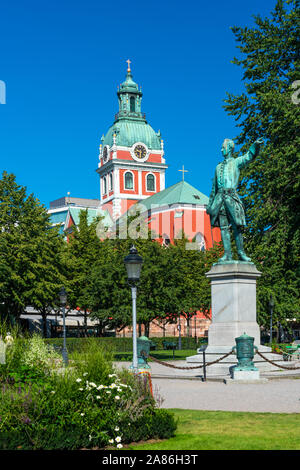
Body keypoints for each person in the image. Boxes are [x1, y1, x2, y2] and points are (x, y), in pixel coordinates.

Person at [206, 137, 264, 262]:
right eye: (222, 148)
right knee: (224, 227)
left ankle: (241, 253)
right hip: (219, 199)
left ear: (230, 149)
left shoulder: (236, 162)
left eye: (223, 147)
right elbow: (214, 188)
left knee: (237, 226)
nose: (221, 150)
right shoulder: (218, 167)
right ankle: (227, 254)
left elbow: (249, 156)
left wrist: (255, 146)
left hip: (231, 197)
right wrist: (210, 205)